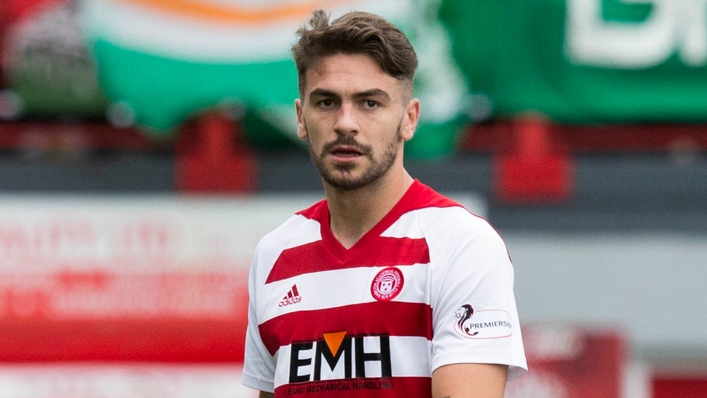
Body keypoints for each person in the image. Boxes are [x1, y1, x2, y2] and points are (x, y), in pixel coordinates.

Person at [242, 9, 527, 398]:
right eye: (326, 102)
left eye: (369, 104)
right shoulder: (274, 254)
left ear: (409, 119)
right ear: (301, 117)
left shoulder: (462, 245)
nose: (346, 123)